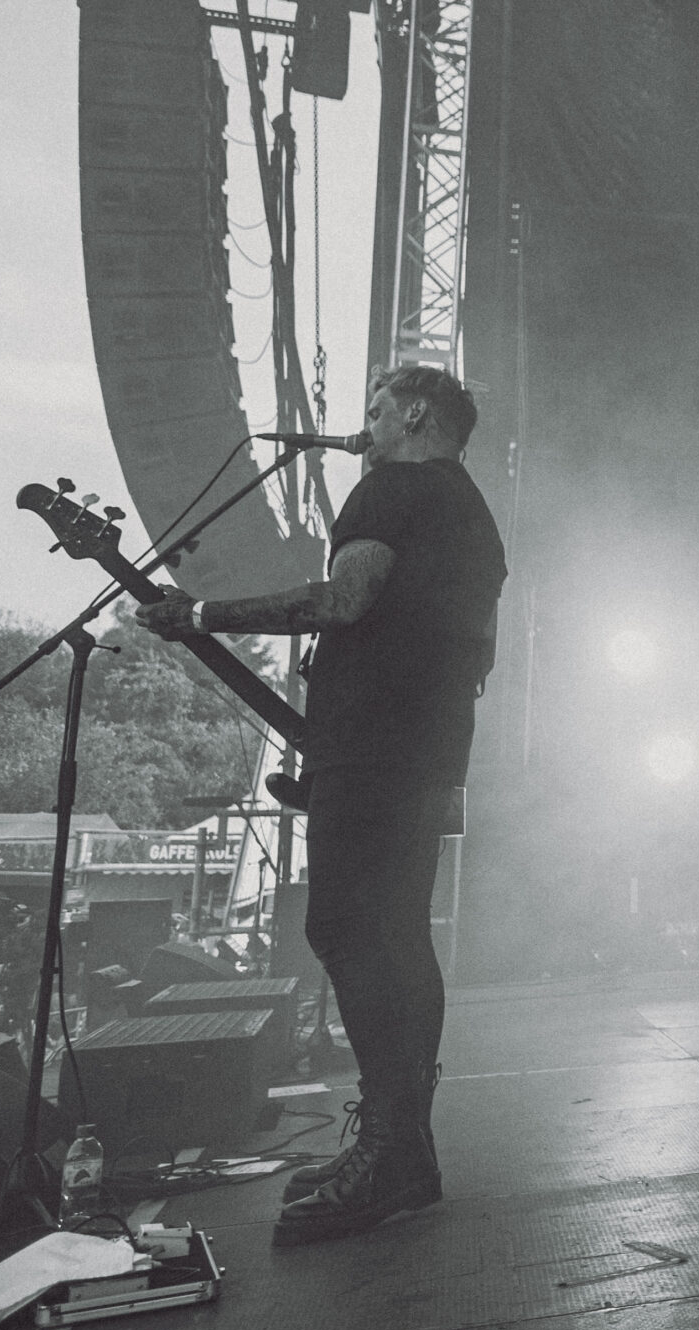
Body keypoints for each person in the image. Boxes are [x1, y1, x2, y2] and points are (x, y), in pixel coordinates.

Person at [135, 363, 506, 1245]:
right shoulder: (473, 514)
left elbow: (343, 599)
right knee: (399, 935)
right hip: (425, 749)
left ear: (413, 414)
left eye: (376, 410)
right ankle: (402, 1148)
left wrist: (202, 614)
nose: (364, 425)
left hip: (372, 745)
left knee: (344, 927)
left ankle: (391, 1147)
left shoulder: (392, 490)